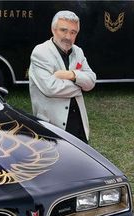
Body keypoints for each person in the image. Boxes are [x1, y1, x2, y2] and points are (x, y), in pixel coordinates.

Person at [29, 10, 96, 143]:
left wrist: (71, 74)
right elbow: (50, 88)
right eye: (63, 30)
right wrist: (80, 85)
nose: (68, 37)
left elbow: (91, 81)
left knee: (80, 161)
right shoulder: (40, 52)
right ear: (53, 30)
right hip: (52, 125)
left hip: (78, 125)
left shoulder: (78, 52)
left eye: (73, 32)